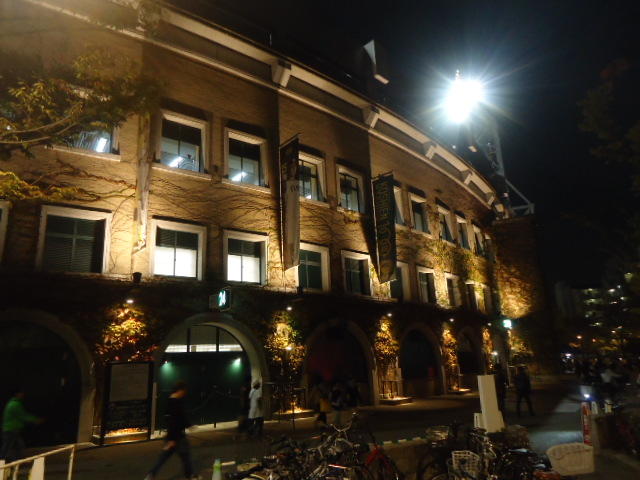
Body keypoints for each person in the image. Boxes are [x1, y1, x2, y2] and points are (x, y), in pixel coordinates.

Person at [145, 381, 199, 480]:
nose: (184, 393)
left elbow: (176, 418)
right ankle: (190, 475)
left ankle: (151, 474)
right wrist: (172, 439)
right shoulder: (175, 403)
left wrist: (189, 425)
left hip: (174, 435)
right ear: (180, 390)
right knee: (184, 456)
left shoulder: (171, 401)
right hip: (177, 436)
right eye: (184, 391)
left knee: (166, 457)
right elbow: (175, 421)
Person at [0, 389, 42, 462]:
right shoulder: (15, 404)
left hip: (11, 429)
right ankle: (3, 461)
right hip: (11, 429)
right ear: (17, 394)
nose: (23, 395)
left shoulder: (12, 403)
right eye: (21, 394)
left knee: (18, 446)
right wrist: (35, 420)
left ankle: (18, 461)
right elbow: (23, 416)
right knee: (8, 448)